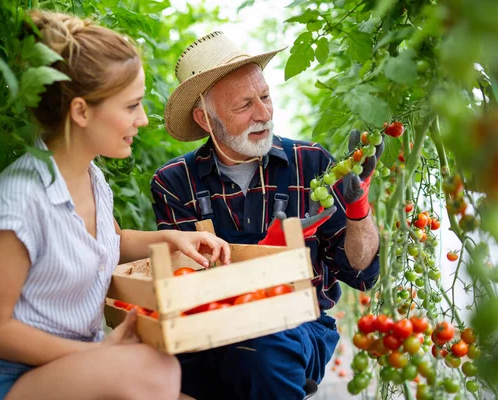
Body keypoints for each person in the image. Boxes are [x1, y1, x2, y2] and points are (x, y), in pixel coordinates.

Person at [0, 12, 230, 400]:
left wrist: (172, 238)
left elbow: (110, 239)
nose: (143, 120)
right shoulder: (21, 201)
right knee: (152, 370)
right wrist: (98, 354)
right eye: (131, 106)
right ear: (80, 111)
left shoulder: (92, 178)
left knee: (165, 377)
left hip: (63, 370)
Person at [150, 31, 382, 399]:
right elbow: (188, 286)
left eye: (265, 96)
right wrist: (267, 254)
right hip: (206, 331)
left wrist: (358, 211)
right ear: (205, 118)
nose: (263, 114)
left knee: (263, 351)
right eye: (244, 106)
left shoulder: (311, 163)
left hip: (297, 327)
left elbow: (361, 272)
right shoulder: (174, 183)